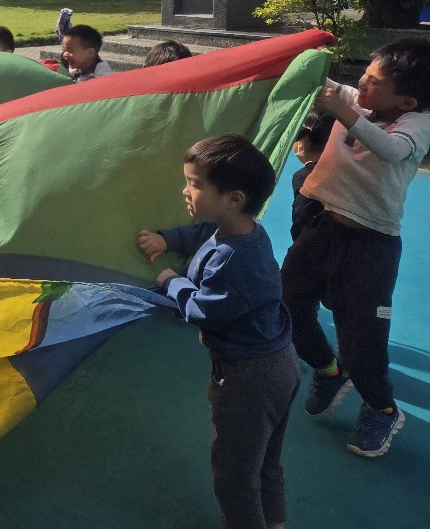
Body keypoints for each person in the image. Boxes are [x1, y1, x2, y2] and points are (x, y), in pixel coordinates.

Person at [137, 136, 299, 529]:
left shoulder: (235, 259)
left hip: (251, 378)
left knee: (234, 478)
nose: (185, 190)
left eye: (194, 184)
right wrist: (167, 239)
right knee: (265, 463)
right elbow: (202, 233)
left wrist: (171, 281)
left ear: (233, 198)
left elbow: (202, 311)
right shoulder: (242, 230)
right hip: (278, 362)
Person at [281, 39, 430, 458]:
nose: (362, 82)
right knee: (288, 303)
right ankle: (328, 372)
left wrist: (343, 111)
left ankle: (382, 408)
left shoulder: (418, 124)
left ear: (406, 101)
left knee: (361, 340)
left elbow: (391, 150)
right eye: (365, 73)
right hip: (323, 227)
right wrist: (302, 54)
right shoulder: (356, 100)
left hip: (372, 245)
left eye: (374, 81)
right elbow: (318, 83)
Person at [289, 113, 335, 241]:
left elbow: (302, 219)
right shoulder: (343, 169)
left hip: (317, 247)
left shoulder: (304, 176)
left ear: (303, 141)